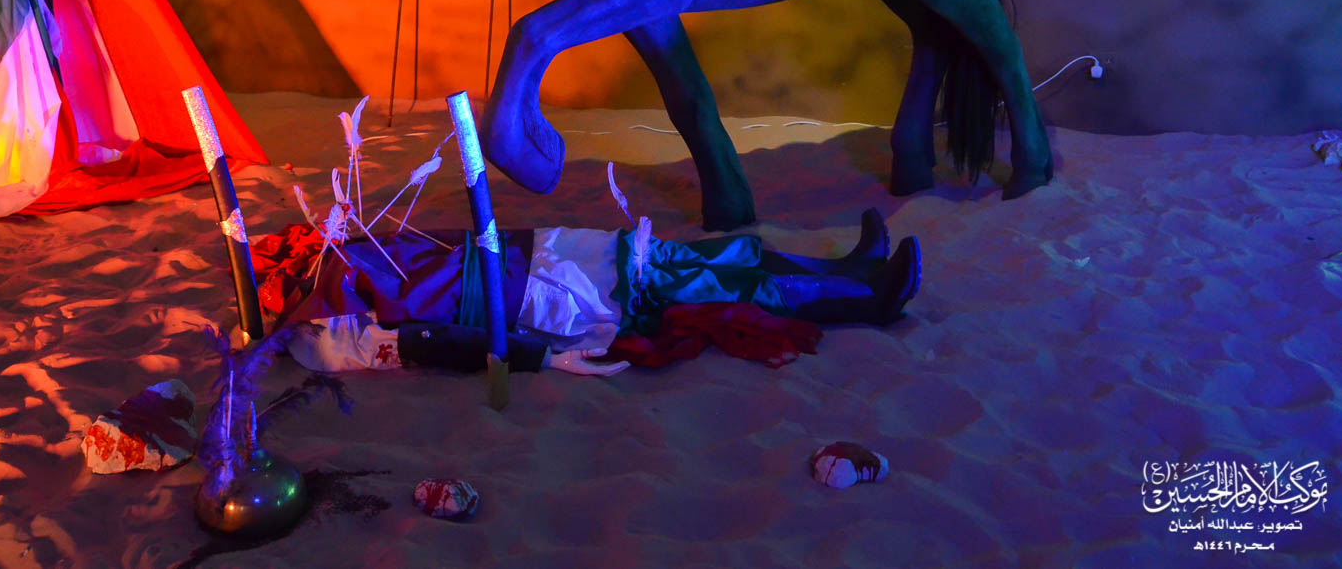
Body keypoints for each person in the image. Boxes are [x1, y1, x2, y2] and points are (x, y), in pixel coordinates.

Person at [262, 208, 921, 378]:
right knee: (706, 286)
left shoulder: (329, 266)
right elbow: (436, 344)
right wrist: (547, 358)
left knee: (704, 257)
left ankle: (852, 268)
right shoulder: (324, 338)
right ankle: (864, 301)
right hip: (544, 293)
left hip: (532, 251)